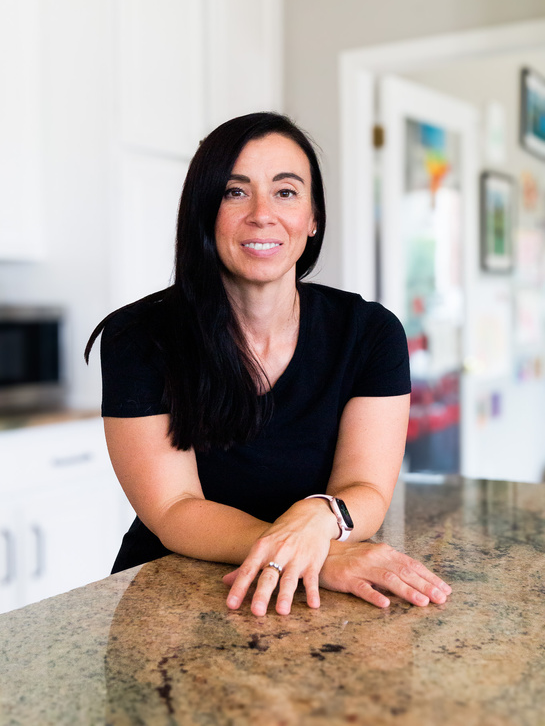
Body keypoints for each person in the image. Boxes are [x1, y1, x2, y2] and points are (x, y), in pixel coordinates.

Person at [86, 112, 451, 617]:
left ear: (313, 216)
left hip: (317, 594)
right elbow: (173, 509)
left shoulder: (369, 333)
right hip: (172, 596)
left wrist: (316, 517)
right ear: (204, 213)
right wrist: (317, 553)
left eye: (286, 192)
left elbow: (365, 488)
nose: (262, 213)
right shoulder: (140, 336)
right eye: (236, 192)